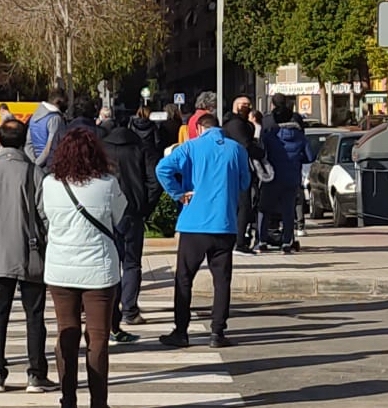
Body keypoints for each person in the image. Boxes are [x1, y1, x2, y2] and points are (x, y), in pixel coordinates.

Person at [39, 129, 129, 408]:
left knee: (66, 332)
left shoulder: (50, 183)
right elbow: (119, 217)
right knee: (98, 337)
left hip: (60, 268)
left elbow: (44, 217)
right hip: (98, 271)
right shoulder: (107, 184)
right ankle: (99, 406)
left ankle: (68, 403)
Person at [0, 118, 58, 394]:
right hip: (30, 254)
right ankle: (36, 374)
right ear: (23, 143)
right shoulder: (34, 173)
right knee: (35, 316)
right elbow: (46, 215)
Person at [156, 115, 250, 349]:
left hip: (194, 223)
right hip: (224, 223)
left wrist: (178, 192)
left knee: (184, 278)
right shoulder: (237, 150)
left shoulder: (190, 147)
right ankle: (217, 333)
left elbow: (163, 168)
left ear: (199, 127)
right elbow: (245, 182)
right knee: (222, 280)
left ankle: (181, 331)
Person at [103, 120, 162, 332]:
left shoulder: (102, 148)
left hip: (106, 212)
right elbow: (155, 180)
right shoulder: (141, 148)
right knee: (131, 263)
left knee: (109, 262)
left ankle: (110, 309)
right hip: (133, 211)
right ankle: (129, 309)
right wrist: (146, 206)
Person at [258, 94, 310, 254]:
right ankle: (287, 242)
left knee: (264, 208)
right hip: (291, 178)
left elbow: (261, 153)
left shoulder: (269, 136)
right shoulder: (300, 137)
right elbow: (310, 156)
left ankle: (261, 241)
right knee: (288, 211)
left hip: (272, 177)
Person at [222, 96, 266, 255]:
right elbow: (245, 145)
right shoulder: (236, 125)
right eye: (244, 105)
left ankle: (238, 239)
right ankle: (239, 242)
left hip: (236, 169)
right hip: (238, 170)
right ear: (236, 106)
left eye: (249, 105)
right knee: (243, 205)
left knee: (242, 205)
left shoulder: (236, 123)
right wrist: (260, 152)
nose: (247, 107)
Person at [25, 90, 68, 169]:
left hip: (34, 162)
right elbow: (50, 146)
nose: (67, 105)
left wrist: (33, 161)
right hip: (49, 165)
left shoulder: (34, 116)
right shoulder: (56, 118)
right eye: (66, 102)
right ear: (58, 102)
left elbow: (28, 143)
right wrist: (38, 164)